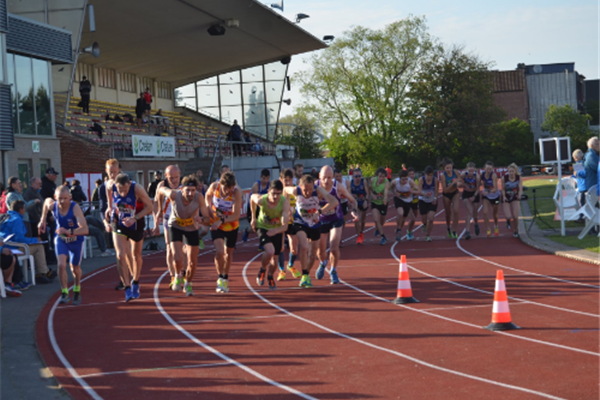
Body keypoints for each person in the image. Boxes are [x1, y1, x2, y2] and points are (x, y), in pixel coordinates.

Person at [282, 175, 338, 288]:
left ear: (314, 186)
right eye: (304, 190)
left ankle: (305, 275)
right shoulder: (295, 190)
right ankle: (304, 275)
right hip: (300, 221)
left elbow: (334, 201)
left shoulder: (318, 190)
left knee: (313, 254)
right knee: (304, 246)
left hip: (315, 223)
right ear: (300, 187)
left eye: (310, 189)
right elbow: (284, 190)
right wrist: (287, 210)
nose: (307, 192)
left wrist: (320, 211)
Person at [106, 172, 153, 301]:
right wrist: (109, 206)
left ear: (129, 184)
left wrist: (135, 218)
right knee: (120, 255)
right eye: (120, 190)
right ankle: (127, 288)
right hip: (119, 222)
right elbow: (107, 188)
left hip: (136, 223)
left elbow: (150, 207)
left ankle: (135, 281)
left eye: (125, 190)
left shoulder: (137, 189)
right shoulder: (111, 185)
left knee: (136, 255)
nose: (122, 193)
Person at [159, 175, 209, 296]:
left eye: (193, 190)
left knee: (193, 262)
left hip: (191, 227)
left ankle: (188, 284)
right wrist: (159, 211)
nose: (190, 193)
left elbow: (207, 219)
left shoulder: (199, 197)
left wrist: (201, 219)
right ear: (182, 189)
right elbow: (160, 190)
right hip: (175, 226)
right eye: (188, 190)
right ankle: (177, 275)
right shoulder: (174, 194)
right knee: (177, 258)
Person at [39, 186, 89, 304]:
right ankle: (64, 292)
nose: (62, 201)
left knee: (75, 267)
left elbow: (85, 229)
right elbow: (46, 201)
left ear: (70, 197)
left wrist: (69, 232)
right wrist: (43, 219)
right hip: (61, 240)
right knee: (61, 265)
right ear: (55, 197)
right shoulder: (54, 205)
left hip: (76, 240)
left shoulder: (75, 208)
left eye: (65, 198)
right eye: (60, 198)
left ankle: (77, 289)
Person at [315, 166, 357, 285]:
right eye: (324, 178)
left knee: (334, 247)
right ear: (319, 176)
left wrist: (354, 211)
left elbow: (352, 200)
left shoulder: (338, 186)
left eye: (329, 178)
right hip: (321, 220)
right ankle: (323, 263)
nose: (326, 181)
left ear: (333, 177)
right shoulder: (314, 186)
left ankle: (333, 271)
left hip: (336, 219)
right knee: (320, 250)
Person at [205, 172, 242, 294]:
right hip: (216, 224)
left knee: (228, 253)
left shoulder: (236, 193)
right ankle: (220, 277)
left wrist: (222, 220)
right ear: (220, 184)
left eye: (230, 188)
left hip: (231, 225)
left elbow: (236, 215)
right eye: (225, 188)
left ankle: (226, 276)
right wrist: (209, 207)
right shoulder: (214, 187)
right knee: (220, 251)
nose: (227, 191)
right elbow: (207, 196)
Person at [1, 200, 53, 284]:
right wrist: (35, 240)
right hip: (13, 249)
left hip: (6, 246)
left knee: (36, 246)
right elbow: (19, 239)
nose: (25, 210)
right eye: (24, 208)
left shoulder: (6, 217)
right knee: (39, 247)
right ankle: (42, 273)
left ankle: (44, 271)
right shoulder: (17, 220)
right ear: (20, 209)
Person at [251, 180, 290, 290]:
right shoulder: (261, 200)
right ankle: (263, 269)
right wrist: (253, 218)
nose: (275, 197)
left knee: (275, 259)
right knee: (270, 251)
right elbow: (252, 198)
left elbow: (285, 226)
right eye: (273, 193)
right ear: (268, 192)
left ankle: (270, 276)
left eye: (278, 194)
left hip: (276, 229)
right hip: (263, 227)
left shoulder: (284, 203)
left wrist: (276, 231)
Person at [154, 165, 185, 289]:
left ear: (180, 174)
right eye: (171, 178)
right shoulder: (161, 185)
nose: (174, 180)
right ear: (166, 176)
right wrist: (157, 220)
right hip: (168, 220)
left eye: (176, 177)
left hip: (183, 220)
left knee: (184, 250)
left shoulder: (185, 184)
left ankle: (183, 274)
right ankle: (173, 276)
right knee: (170, 249)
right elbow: (156, 203)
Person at [276, 169, 301, 281]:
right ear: (280, 180)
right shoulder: (277, 191)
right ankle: (281, 271)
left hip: (293, 222)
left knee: (294, 249)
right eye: (285, 180)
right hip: (280, 222)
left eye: (289, 180)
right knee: (280, 247)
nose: (287, 183)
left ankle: (290, 265)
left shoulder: (295, 189)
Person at [242, 169, 271, 243]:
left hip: (263, 208)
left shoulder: (270, 186)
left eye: (267, 178)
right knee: (256, 227)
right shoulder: (256, 185)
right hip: (253, 208)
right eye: (264, 178)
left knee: (263, 226)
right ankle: (248, 231)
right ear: (261, 177)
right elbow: (254, 200)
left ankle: (263, 242)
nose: (265, 180)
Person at [392, 169, 420, 241]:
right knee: (401, 213)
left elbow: (419, 190)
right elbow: (390, 187)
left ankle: (399, 229)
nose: (405, 181)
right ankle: (398, 229)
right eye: (403, 179)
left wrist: (413, 191)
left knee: (404, 218)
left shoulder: (410, 181)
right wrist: (395, 193)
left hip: (408, 201)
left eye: (406, 179)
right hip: (399, 199)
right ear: (399, 178)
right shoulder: (395, 181)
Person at [459, 162, 481, 239]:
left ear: (474, 170)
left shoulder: (477, 176)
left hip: (475, 193)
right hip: (466, 194)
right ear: (466, 170)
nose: (470, 173)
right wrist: (461, 184)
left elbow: (478, 189)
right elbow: (458, 182)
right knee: (469, 211)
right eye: (469, 171)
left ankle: (476, 223)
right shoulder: (463, 175)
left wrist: (474, 196)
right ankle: (467, 232)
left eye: (472, 171)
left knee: (475, 213)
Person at [501, 163, 523, 238]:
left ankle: (515, 230)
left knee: (515, 216)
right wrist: (503, 196)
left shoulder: (518, 178)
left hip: (515, 197)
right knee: (508, 216)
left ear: (515, 171)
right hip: (506, 197)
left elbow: (520, 188)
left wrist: (519, 195)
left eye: (512, 171)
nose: (511, 173)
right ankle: (508, 221)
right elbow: (503, 189)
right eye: (509, 171)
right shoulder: (504, 178)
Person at [440, 159, 460, 238]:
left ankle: (454, 230)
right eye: (447, 168)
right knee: (448, 213)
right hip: (446, 195)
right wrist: (453, 183)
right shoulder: (443, 176)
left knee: (456, 211)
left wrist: (459, 183)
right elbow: (445, 189)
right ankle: (448, 227)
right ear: (444, 168)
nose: (449, 170)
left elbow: (460, 180)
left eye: (450, 168)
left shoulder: (456, 172)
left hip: (455, 193)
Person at [370, 167, 390, 245]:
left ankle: (378, 229)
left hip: (383, 203)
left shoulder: (387, 182)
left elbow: (386, 192)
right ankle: (383, 237)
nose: (381, 178)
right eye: (380, 176)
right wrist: (372, 195)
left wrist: (385, 199)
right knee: (376, 219)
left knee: (382, 221)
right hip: (374, 203)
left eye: (383, 177)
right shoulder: (372, 180)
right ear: (377, 176)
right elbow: (369, 189)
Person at [350, 168, 370, 244]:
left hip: (363, 201)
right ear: (353, 177)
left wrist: (366, 200)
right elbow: (348, 193)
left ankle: (361, 232)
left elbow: (368, 193)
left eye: (359, 176)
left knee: (362, 220)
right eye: (356, 176)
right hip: (355, 203)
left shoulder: (363, 182)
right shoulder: (351, 183)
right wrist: (352, 195)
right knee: (356, 219)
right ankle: (358, 235)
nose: (358, 178)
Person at [418, 166, 438, 242]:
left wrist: (435, 198)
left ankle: (428, 235)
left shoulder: (435, 180)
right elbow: (419, 191)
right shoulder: (421, 180)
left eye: (430, 175)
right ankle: (424, 225)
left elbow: (436, 191)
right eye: (427, 175)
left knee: (431, 219)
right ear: (425, 174)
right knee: (424, 219)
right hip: (423, 200)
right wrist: (425, 194)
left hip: (432, 201)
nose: (429, 177)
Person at [481, 161, 500, 237]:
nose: (488, 170)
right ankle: (488, 229)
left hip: (495, 196)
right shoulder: (482, 175)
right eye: (487, 169)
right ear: (484, 168)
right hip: (486, 196)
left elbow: (495, 189)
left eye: (490, 169)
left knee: (495, 214)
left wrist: (488, 191)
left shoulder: (493, 175)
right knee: (485, 213)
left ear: (492, 169)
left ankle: (496, 226)